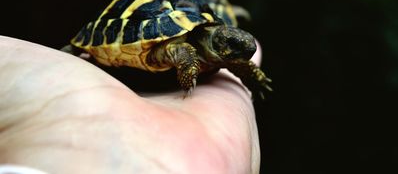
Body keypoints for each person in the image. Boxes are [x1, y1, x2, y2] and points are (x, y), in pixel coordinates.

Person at [0, 36, 261, 174]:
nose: (242, 54)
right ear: (216, 39)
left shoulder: (220, 53)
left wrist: (252, 75)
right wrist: (188, 68)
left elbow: (239, 61)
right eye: (234, 46)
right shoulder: (185, 47)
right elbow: (181, 50)